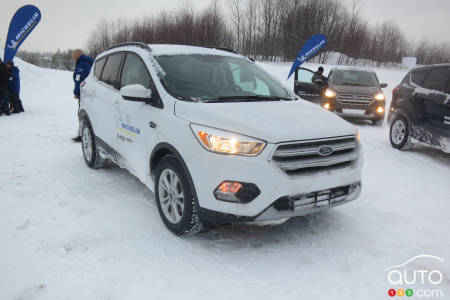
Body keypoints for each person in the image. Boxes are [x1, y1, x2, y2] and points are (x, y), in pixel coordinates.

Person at [72, 49, 94, 141]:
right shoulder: (85, 62)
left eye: (74, 55)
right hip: (89, 91)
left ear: (78, 55)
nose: (73, 57)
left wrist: (76, 92)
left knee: (82, 113)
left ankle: (82, 135)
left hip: (84, 92)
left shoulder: (82, 64)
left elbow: (79, 80)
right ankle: (82, 133)